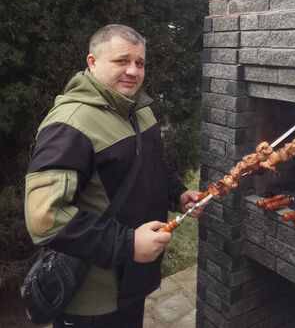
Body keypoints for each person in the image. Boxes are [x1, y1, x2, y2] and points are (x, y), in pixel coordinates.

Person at [24, 24, 206, 328]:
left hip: (132, 279)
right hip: (93, 295)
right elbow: (45, 217)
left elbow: (153, 163)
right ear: (92, 62)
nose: (133, 71)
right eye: (122, 61)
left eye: (139, 63)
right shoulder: (70, 124)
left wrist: (178, 194)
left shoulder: (139, 109)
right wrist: (128, 243)